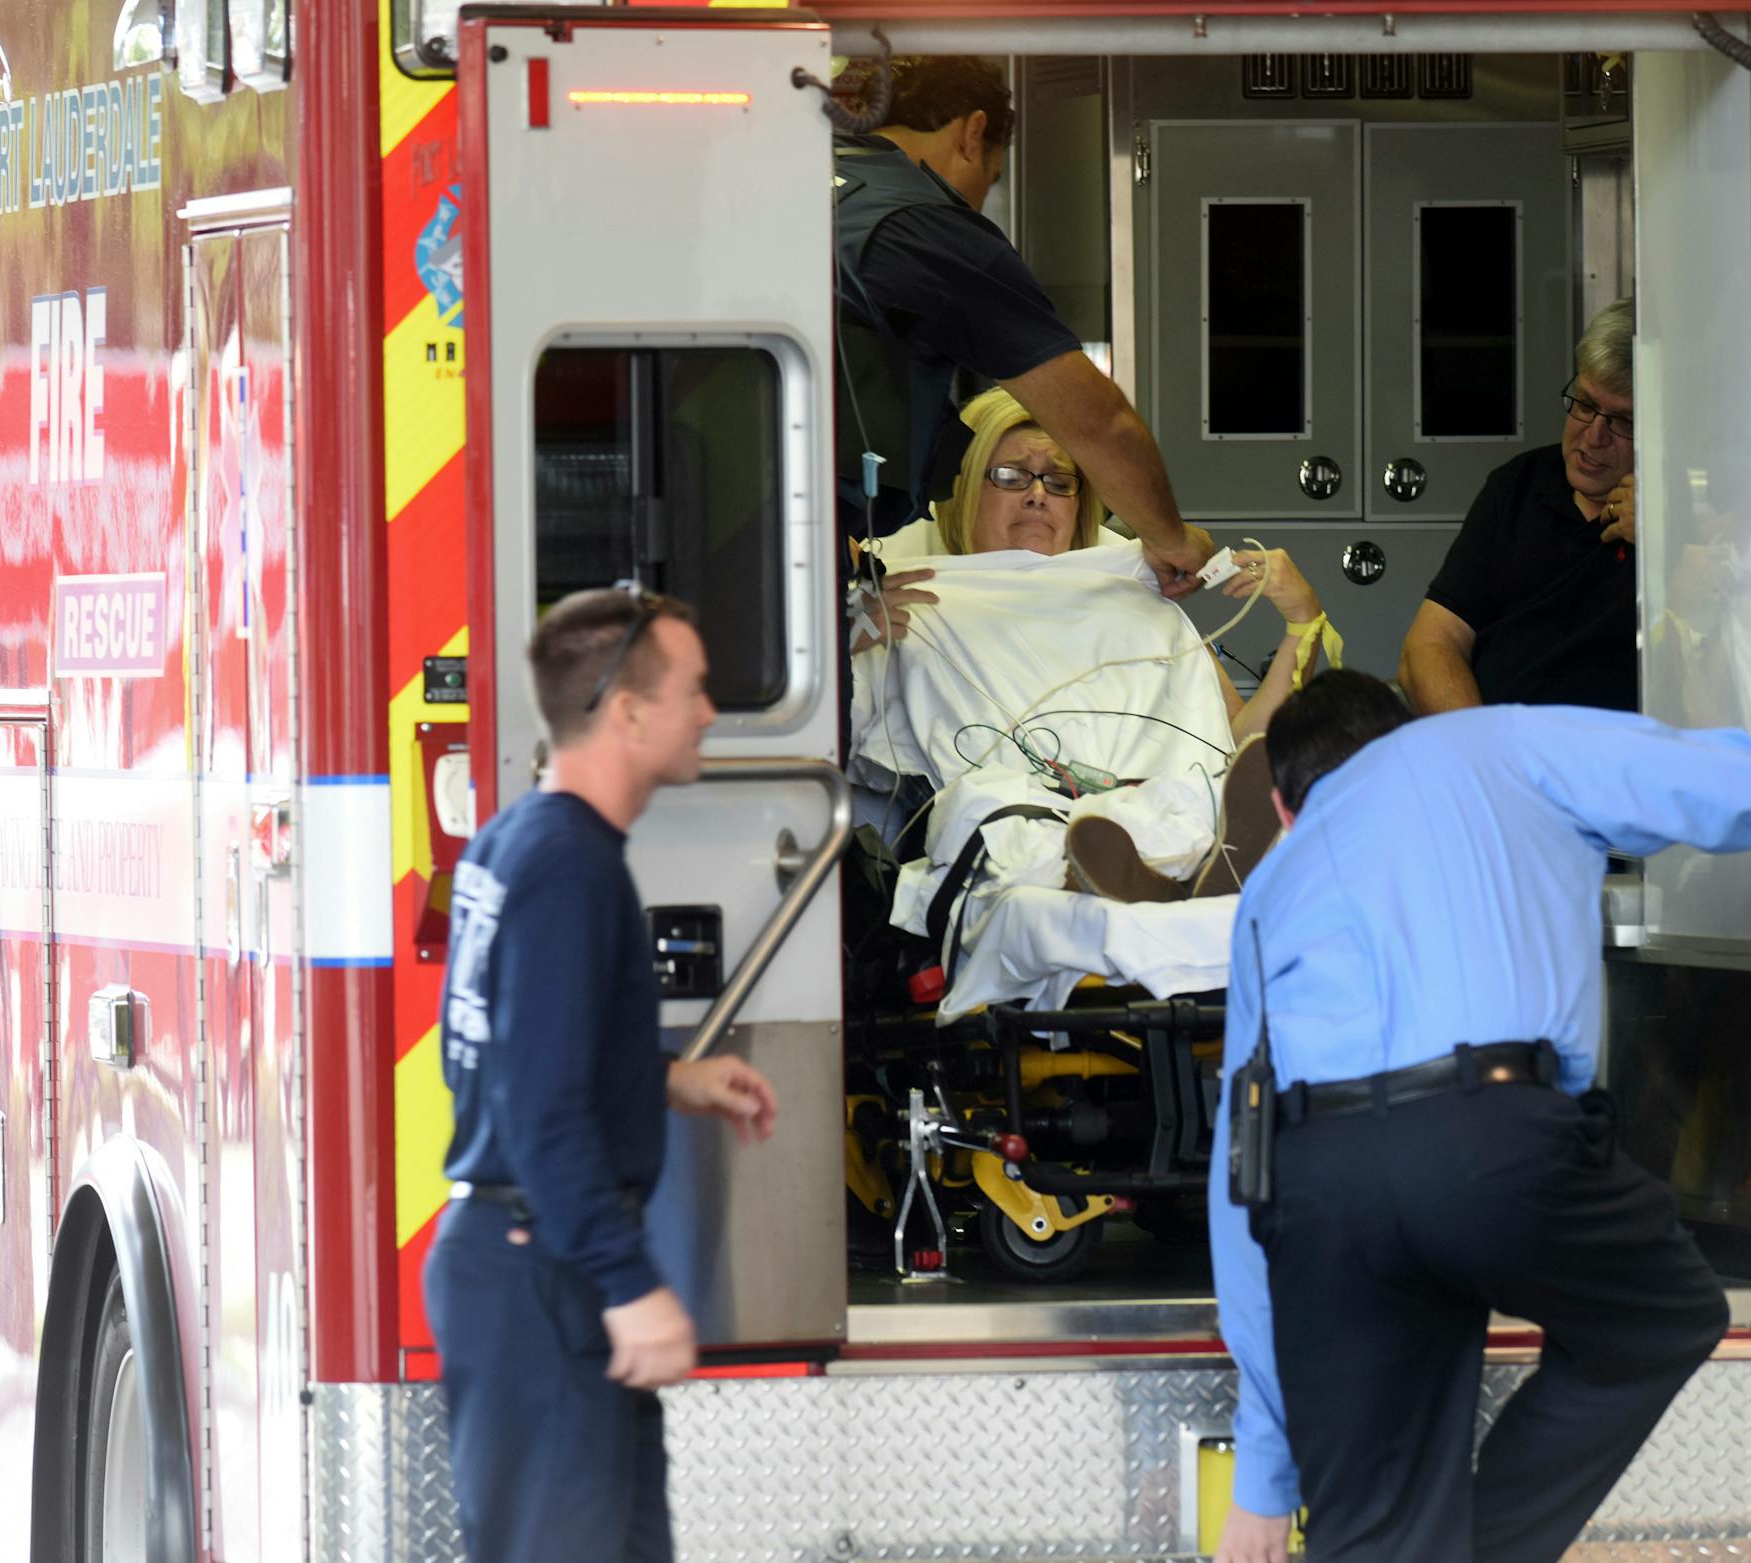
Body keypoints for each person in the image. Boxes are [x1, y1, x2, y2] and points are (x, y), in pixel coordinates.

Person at [1209, 673, 1751, 1563]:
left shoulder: (1273, 887)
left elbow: (1242, 1179)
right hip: (1491, 1140)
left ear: (1282, 805)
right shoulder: (1500, 741)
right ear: (1408, 731)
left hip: (1320, 1185)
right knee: (1661, 1316)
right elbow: (1692, 777)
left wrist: (1265, 1477)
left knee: (1377, 1537)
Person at [424, 587, 782, 1563]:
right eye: (694, 691)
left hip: (527, 1265)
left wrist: (667, 1079)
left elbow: (520, 1044)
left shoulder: (516, 840)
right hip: (547, 1276)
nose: (710, 712)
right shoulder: (569, 869)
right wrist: (630, 1283)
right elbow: (539, 1112)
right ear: (627, 712)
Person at [831, 55, 1214, 595]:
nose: (980, 198)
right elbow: (1099, 421)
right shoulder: (928, 227)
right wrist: (1170, 539)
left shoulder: (799, 183)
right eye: (991, 175)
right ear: (973, 132)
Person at [857, 389, 1336, 747]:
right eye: (1010, 475)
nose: (1038, 493)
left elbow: (1241, 750)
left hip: (1172, 823)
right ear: (961, 493)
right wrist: (846, 646)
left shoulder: (1131, 598)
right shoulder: (903, 608)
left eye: (1059, 480)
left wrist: (1302, 623)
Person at [1399, 298, 1644, 715]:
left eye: (1621, 421)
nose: (1593, 436)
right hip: (1495, 747)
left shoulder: (1687, 516)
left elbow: (1720, 662)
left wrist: (1665, 539)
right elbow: (1429, 645)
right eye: (1584, 405)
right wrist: (1486, 753)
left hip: (1611, 764)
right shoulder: (1519, 485)